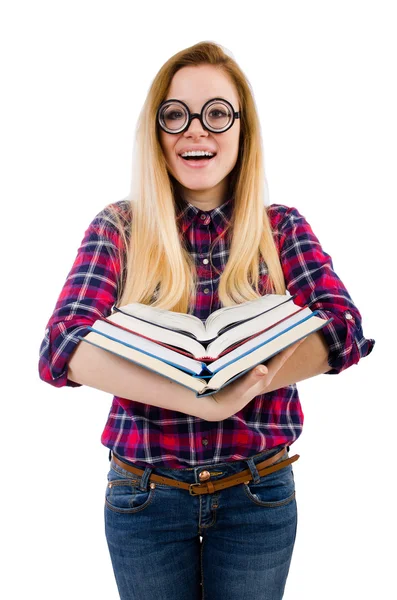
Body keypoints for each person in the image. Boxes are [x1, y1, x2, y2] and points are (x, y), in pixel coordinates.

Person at [38, 41, 375, 600]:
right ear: (156, 131)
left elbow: (342, 328)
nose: (197, 131)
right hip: (144, 497)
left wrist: (245, 383)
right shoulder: (119, 228)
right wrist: (201, 399)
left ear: (243, 129)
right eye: (176, 115)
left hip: (258, 494)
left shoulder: (282, 229)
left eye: (217, 113)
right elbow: (62, 348)